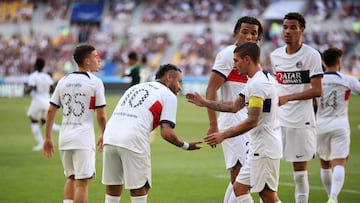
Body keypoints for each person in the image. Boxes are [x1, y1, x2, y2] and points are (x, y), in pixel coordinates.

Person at [186, 42, 282, 203]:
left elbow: (252, 121)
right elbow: (233, 106)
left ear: (247, 59)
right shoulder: (256, 80)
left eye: (236, 60)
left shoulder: (259, 84)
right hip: (259, 146)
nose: (234, 65)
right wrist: (205, 103)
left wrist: (223, 134)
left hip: (265, 146)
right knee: (240, 188)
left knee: (267, 195)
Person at [102, 63, 202, 203]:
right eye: (179, 81)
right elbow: (166, 133)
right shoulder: (168, 95)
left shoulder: (135, 87)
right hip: (133, 138)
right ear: (168, 77)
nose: (180, 87)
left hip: (109, 136)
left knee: (113, 188)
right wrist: (186, 145)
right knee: (140, 188)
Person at [205, 16, 263, 203]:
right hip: (232, 120)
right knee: (240, 176)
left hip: (247, 123)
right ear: (236, 32)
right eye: (244, 31)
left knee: (242, 179)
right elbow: (212, 88)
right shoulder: (228, 54)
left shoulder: (252, 61)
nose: (248, 35)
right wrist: (213, 124)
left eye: (253, 33)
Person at [270, 12, 323, 203]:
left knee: (299, 174)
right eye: (285, 27)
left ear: (302, 30)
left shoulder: (311, 55)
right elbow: (277, 86)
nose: (288, 31)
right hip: (277, 121)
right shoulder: (275, 55)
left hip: (302, 120)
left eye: (293, 27)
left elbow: (317, 90)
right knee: (268, 168)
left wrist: (287, 98)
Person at [43, 44, 107, 203]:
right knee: (82, 184)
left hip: (64, 138)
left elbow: (51, 110)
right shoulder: (95, 82)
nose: (99, 60)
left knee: (71, 178)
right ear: (87, 61)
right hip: (83, 138)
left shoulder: (63, 80)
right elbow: (101, 115)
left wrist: (48, 138)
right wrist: (105, 133)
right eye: (95, 57)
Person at [315, 47, 360, 203]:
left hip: (320, 125)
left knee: (325, 163)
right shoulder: (346, 79)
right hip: (339, 124)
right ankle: (333, 197)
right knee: (339, 162)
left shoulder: (317, 79)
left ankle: (331, 197)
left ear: (323, 62)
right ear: (339, 61)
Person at [24, 57, 60, 151]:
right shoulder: (47, 76)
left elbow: (31, 88)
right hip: (47, 101)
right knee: (45, 123)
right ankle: (62, 129)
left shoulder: (33, 76)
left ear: (35, 66)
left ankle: (41, 144)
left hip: (38, 100)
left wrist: (26, 89)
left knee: (34, 121)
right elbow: (53, 88)